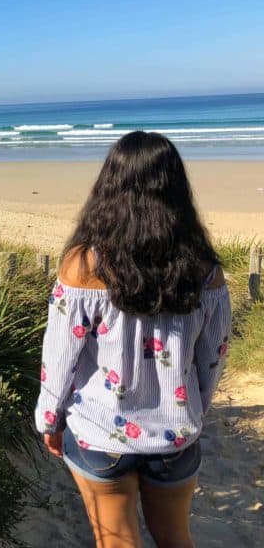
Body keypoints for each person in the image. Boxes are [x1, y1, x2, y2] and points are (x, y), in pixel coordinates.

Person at [34, 131, 232, 548]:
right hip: (175, 433)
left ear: (109, 185)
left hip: (99, 432)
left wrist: (48, 420)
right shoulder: (204, 269)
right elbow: (212, 359)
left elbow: (60, 356)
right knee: (176, 537)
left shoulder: (84, 264)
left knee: (118, 542)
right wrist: (196, 409)